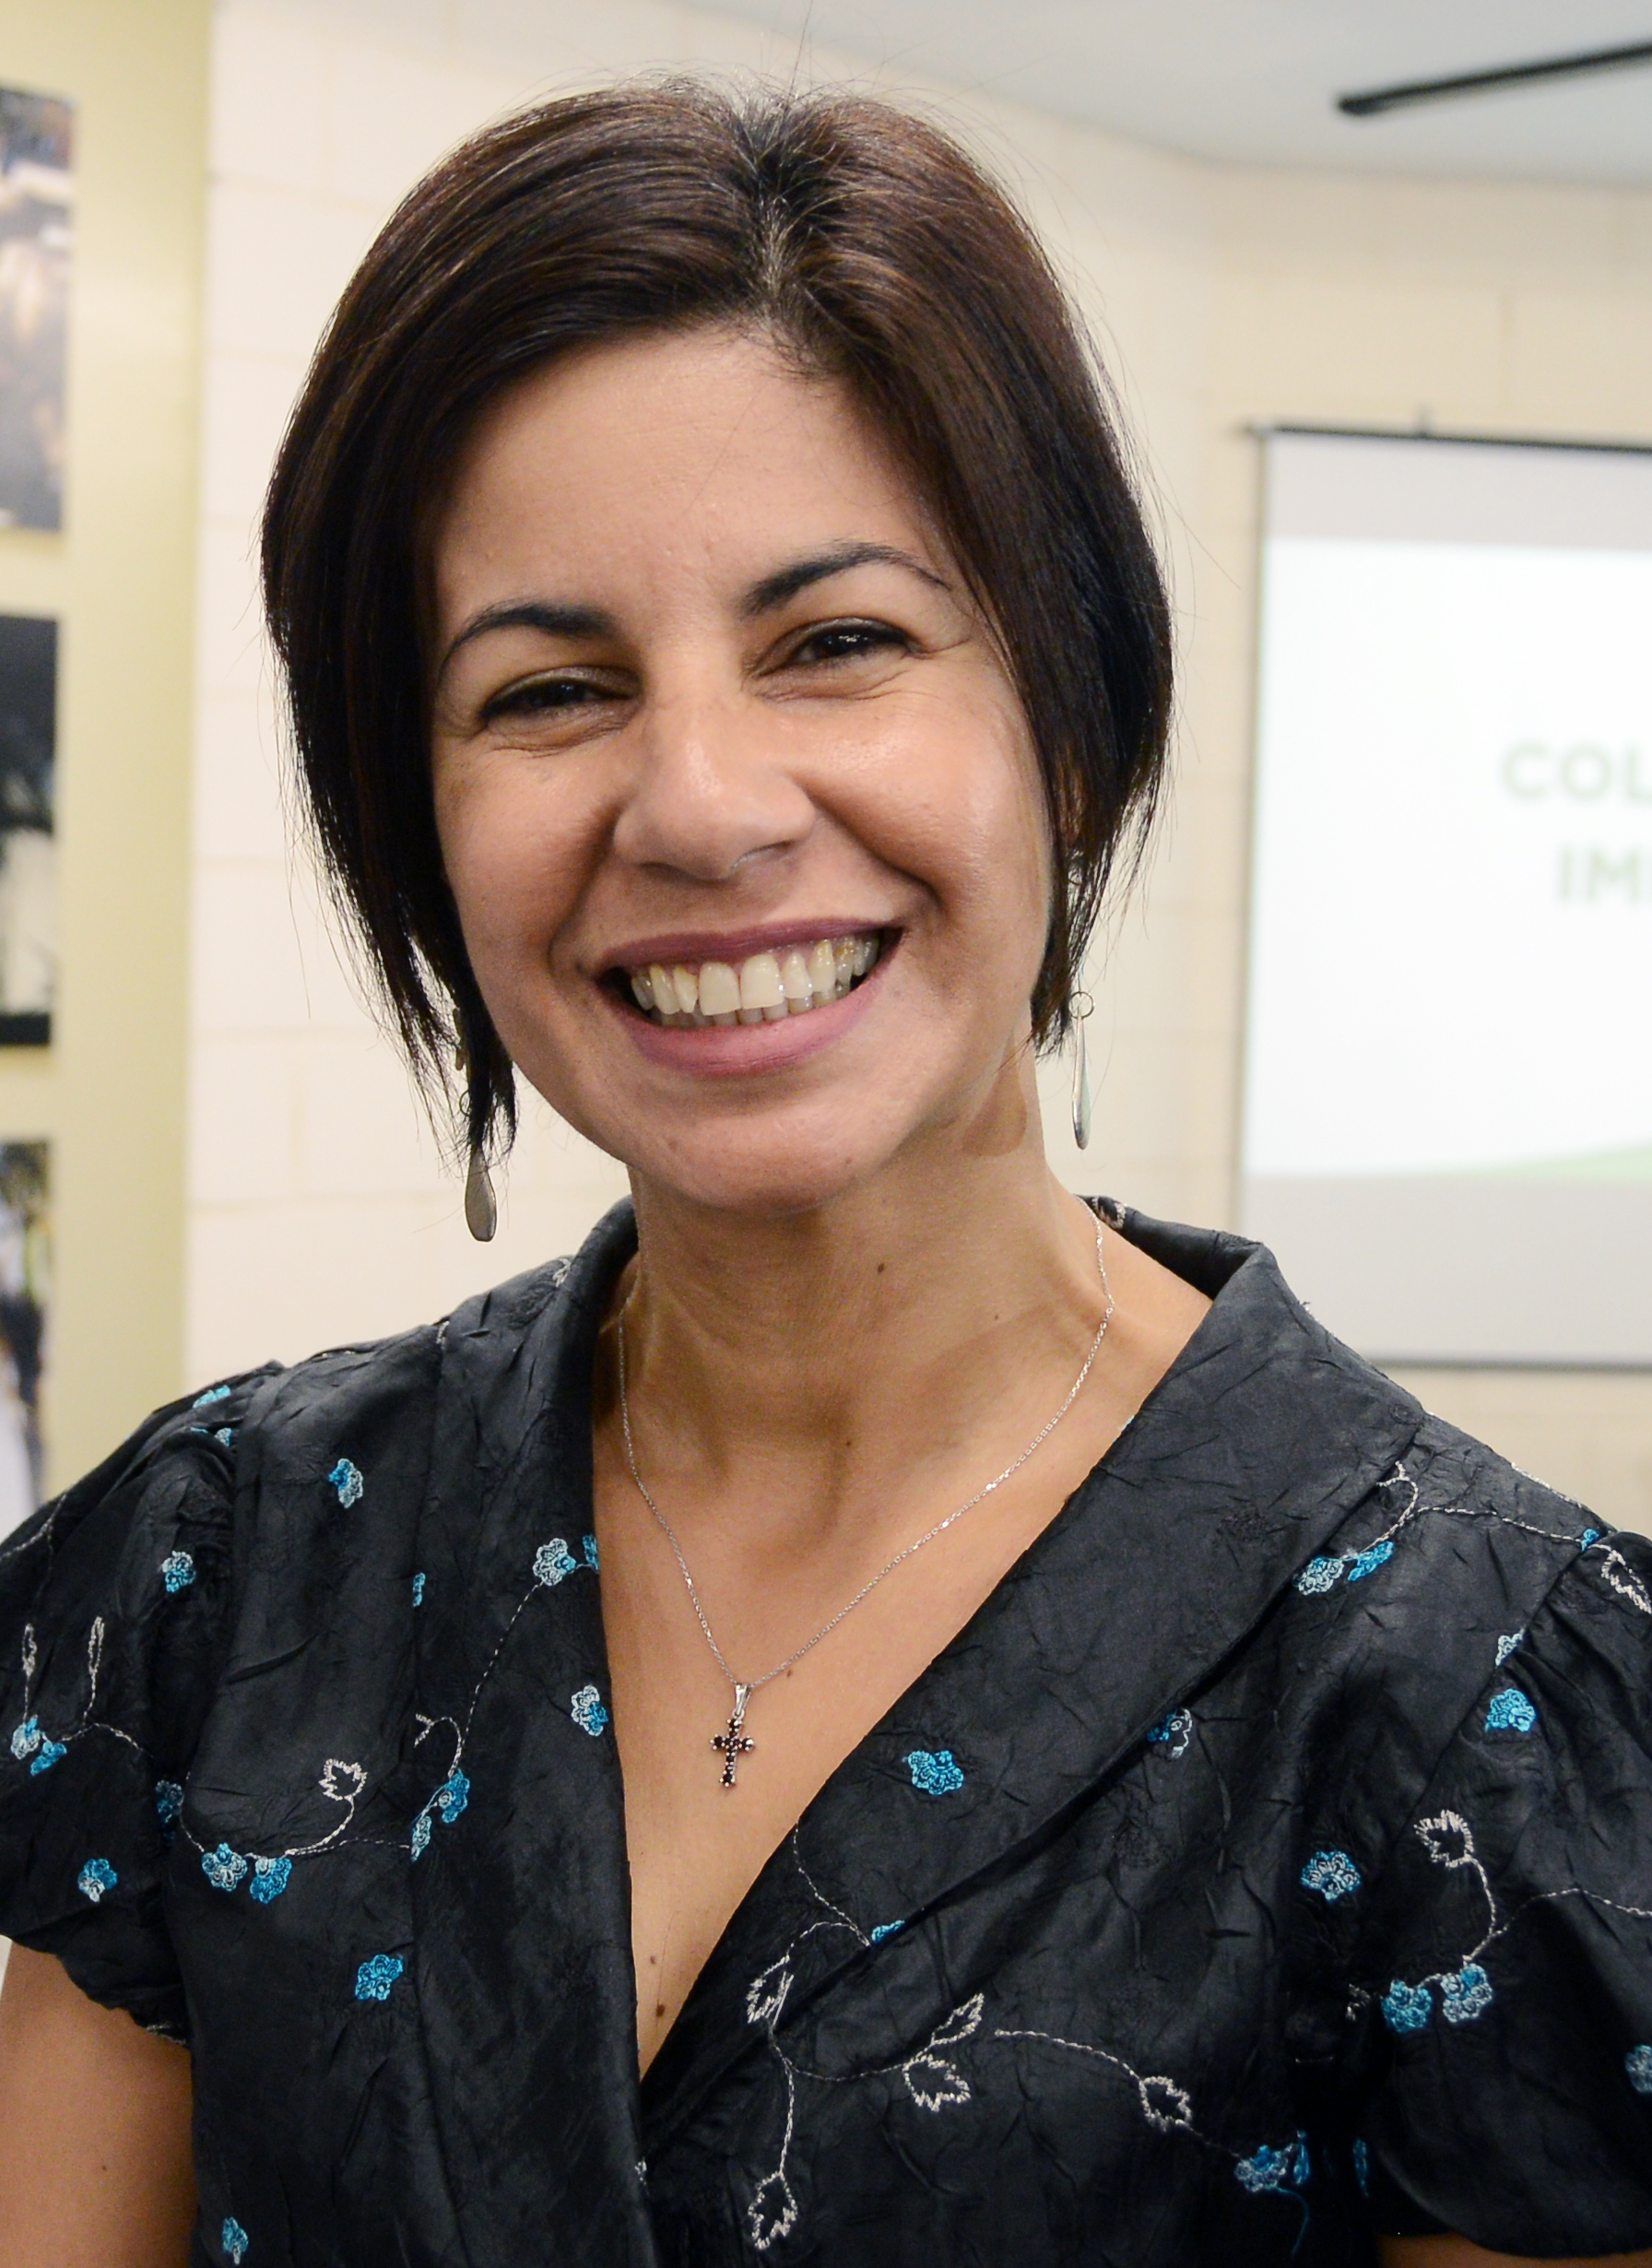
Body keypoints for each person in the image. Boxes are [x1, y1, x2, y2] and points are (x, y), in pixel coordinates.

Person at [0, 80, 1647, 2268]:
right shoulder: (226, 1578)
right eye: (548, 688)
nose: (697, 804)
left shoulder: (1473, 1700)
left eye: (836, 643)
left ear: (1070, 727)